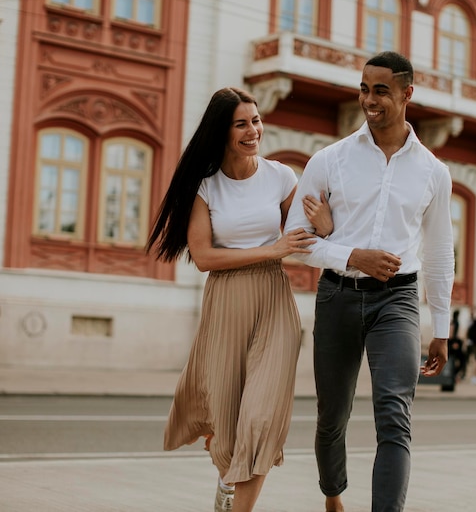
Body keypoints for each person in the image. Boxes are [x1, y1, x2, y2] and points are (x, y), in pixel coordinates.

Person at [145, 87, 331, 512]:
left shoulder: (282, 176)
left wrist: (325, 224)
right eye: (242, 123)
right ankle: (228, 482)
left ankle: (239, 505)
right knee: (227, 425)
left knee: (262, 417)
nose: (254, 131)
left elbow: (308, 233)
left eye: (257, 120)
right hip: (226, 303)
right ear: (222, 131)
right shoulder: (205, 187)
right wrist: (273, 249)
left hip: (273, 301)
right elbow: (205, 257)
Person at [284, 51, 455, 512]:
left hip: (398, 301)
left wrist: (442, 327)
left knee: (394, 418)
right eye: (364, 88)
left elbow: (439, 252)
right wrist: (350, 253)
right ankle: (333, 494)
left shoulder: (434, 173)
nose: (369, 99)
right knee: (331, 417)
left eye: (381, 90)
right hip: (337, 294)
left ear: (406, 94)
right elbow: (293, 240)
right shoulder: (329, 160)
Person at [448, 309, 466, 381]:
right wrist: (454, 342)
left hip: (454, 342)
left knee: (454, 359)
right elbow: (452, 333)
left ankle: (453, 374)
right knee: (459, 359)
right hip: (454, 343)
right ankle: (453, 374)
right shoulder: (455, 322)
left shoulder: (453, 322)